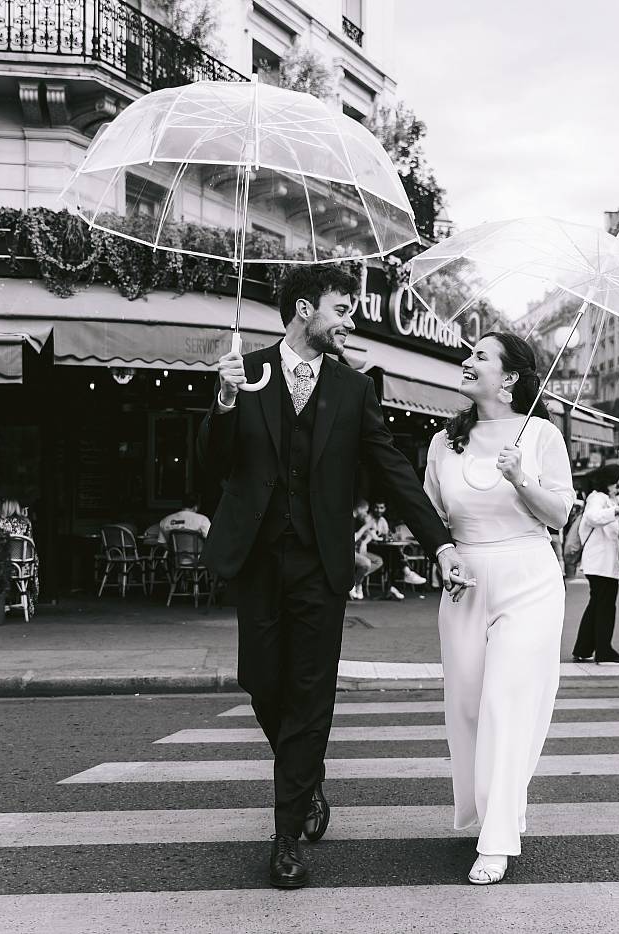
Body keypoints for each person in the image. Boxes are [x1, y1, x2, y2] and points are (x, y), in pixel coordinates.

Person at [197, 265, 463, 890]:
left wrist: (441, 543)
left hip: (320, 564)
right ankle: (307, 777)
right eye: (341, 309)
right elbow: (212, 465)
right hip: (258, 559)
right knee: (261, 681)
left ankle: (286, 834)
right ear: (302, 311)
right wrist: (226, 400)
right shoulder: (247, 369)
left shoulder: (352, 389)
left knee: (311, 696)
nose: (349, 321)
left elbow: (393, 470)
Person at [423, 331, 573, 885]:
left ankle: (497, 838)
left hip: (528, 579)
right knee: (465, 707)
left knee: (505, 702)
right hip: (465, 580)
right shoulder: (445, 442)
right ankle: (493, 808)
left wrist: (520, 477)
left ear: (509, 378)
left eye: (480, 357)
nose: (467, 360)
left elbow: (559, 515)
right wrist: (442, 556)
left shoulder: (542, 435)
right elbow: (432, 517)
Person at [572, 466, 619, 665]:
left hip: (603, 564)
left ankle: (583, 648)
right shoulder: (597, 498)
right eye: (618, 484)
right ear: (608, 481)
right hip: (600, 563)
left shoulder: (606, 500)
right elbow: (593, 517)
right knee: (605, 607)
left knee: (597, 605)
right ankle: (604, 651)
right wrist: (618, 510)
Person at [371, 500, 428, 593]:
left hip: (382, 549)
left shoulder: (382, 520)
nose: (378, 510)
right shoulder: (369, 519)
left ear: (385, 509)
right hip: (369, 548)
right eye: (377, 507)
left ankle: (392, 586)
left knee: (392, 556)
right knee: (393, 554)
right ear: (373, 508)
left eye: (381, 508)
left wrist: (386, 537)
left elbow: (387, 535)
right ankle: (405, 574)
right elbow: (373, 538)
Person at [350, 499, 386, 600]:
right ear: (360, 509)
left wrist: (366, 540)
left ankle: (357, 580)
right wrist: (365, 527)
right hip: (347, 552)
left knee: (378, 560)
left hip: (357, 549)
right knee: (366, 563)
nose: (366, 514)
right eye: (365, 511)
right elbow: (352, 540)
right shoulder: (350, 519)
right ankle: (355, 583)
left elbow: (371, 534)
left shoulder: (358, 520)